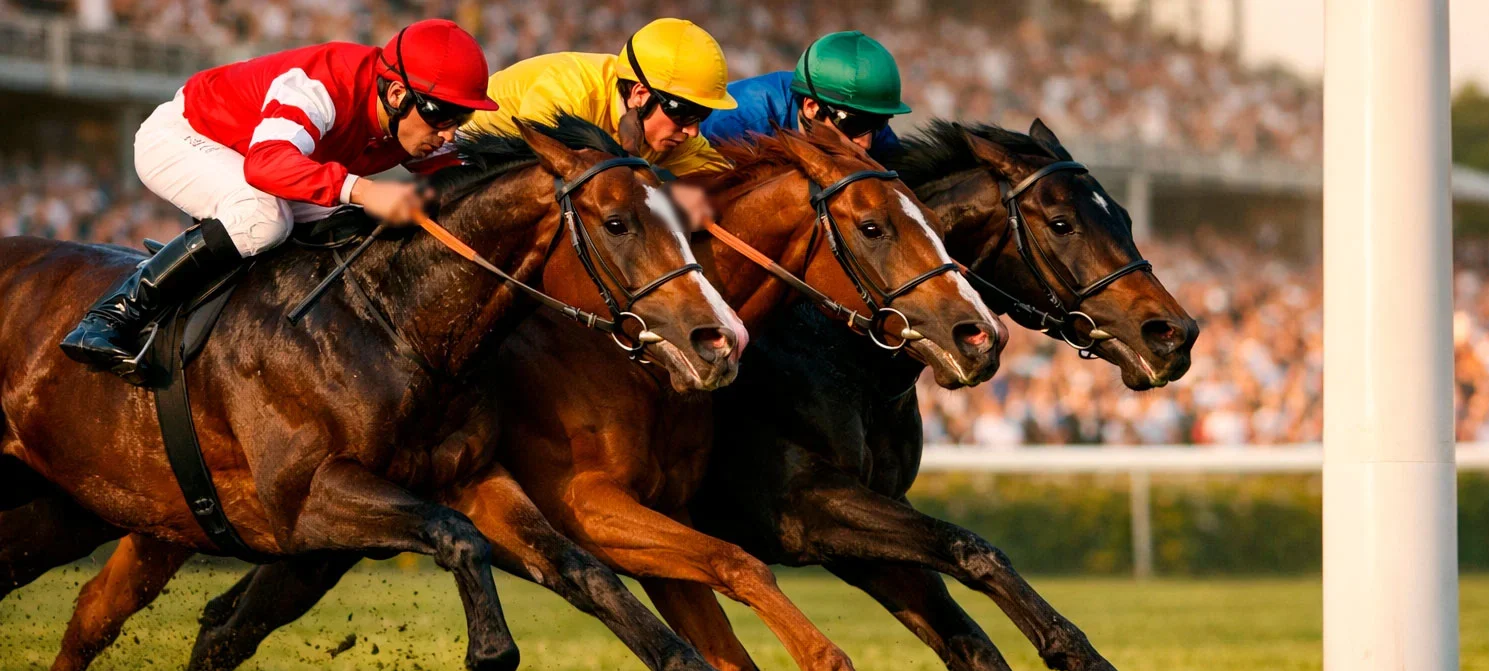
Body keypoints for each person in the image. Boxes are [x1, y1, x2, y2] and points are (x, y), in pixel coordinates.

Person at [60, 19, 498, 382]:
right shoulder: (324, 86)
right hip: (185, 137)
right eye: (442, 116)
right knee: (264, 217)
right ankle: (110, 316)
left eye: (462, 118)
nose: (449, 134)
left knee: (350, 220)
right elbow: (266, 165)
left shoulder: (412, 118)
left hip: (256, 155)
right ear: (398, 94)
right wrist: (366, 189)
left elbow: (467, 181)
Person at [461, 18, 737, 228]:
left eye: (703, 115)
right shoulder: (570, 93)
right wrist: (668, 200)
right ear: (640, 94)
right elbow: (544, 190)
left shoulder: (671, 131)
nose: (692, 130)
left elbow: (728, 184)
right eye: (685, 113)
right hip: (463, 155)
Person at [700, 31, 909, 161]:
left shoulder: (867, 128)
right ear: (811, 107)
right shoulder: (738, 123)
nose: (866, 143)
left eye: (879, 123)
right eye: (855, 124)